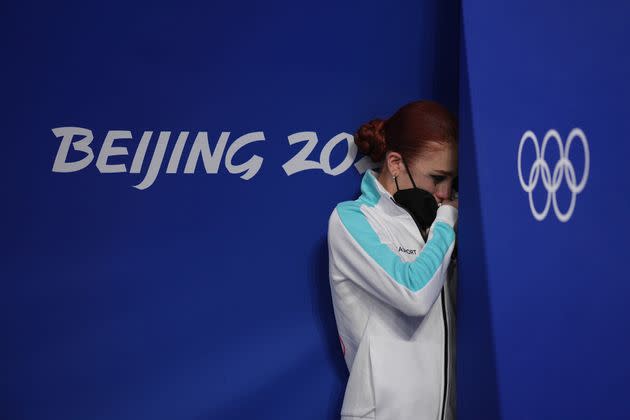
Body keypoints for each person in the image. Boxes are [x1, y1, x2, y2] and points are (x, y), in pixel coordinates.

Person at [327, 99, 459, 420]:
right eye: (436, 178)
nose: (444, 193)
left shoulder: (435, 223)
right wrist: (447, 221)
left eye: (452, 181)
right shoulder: (353, 219)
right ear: (396, 163)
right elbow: (413, 294)